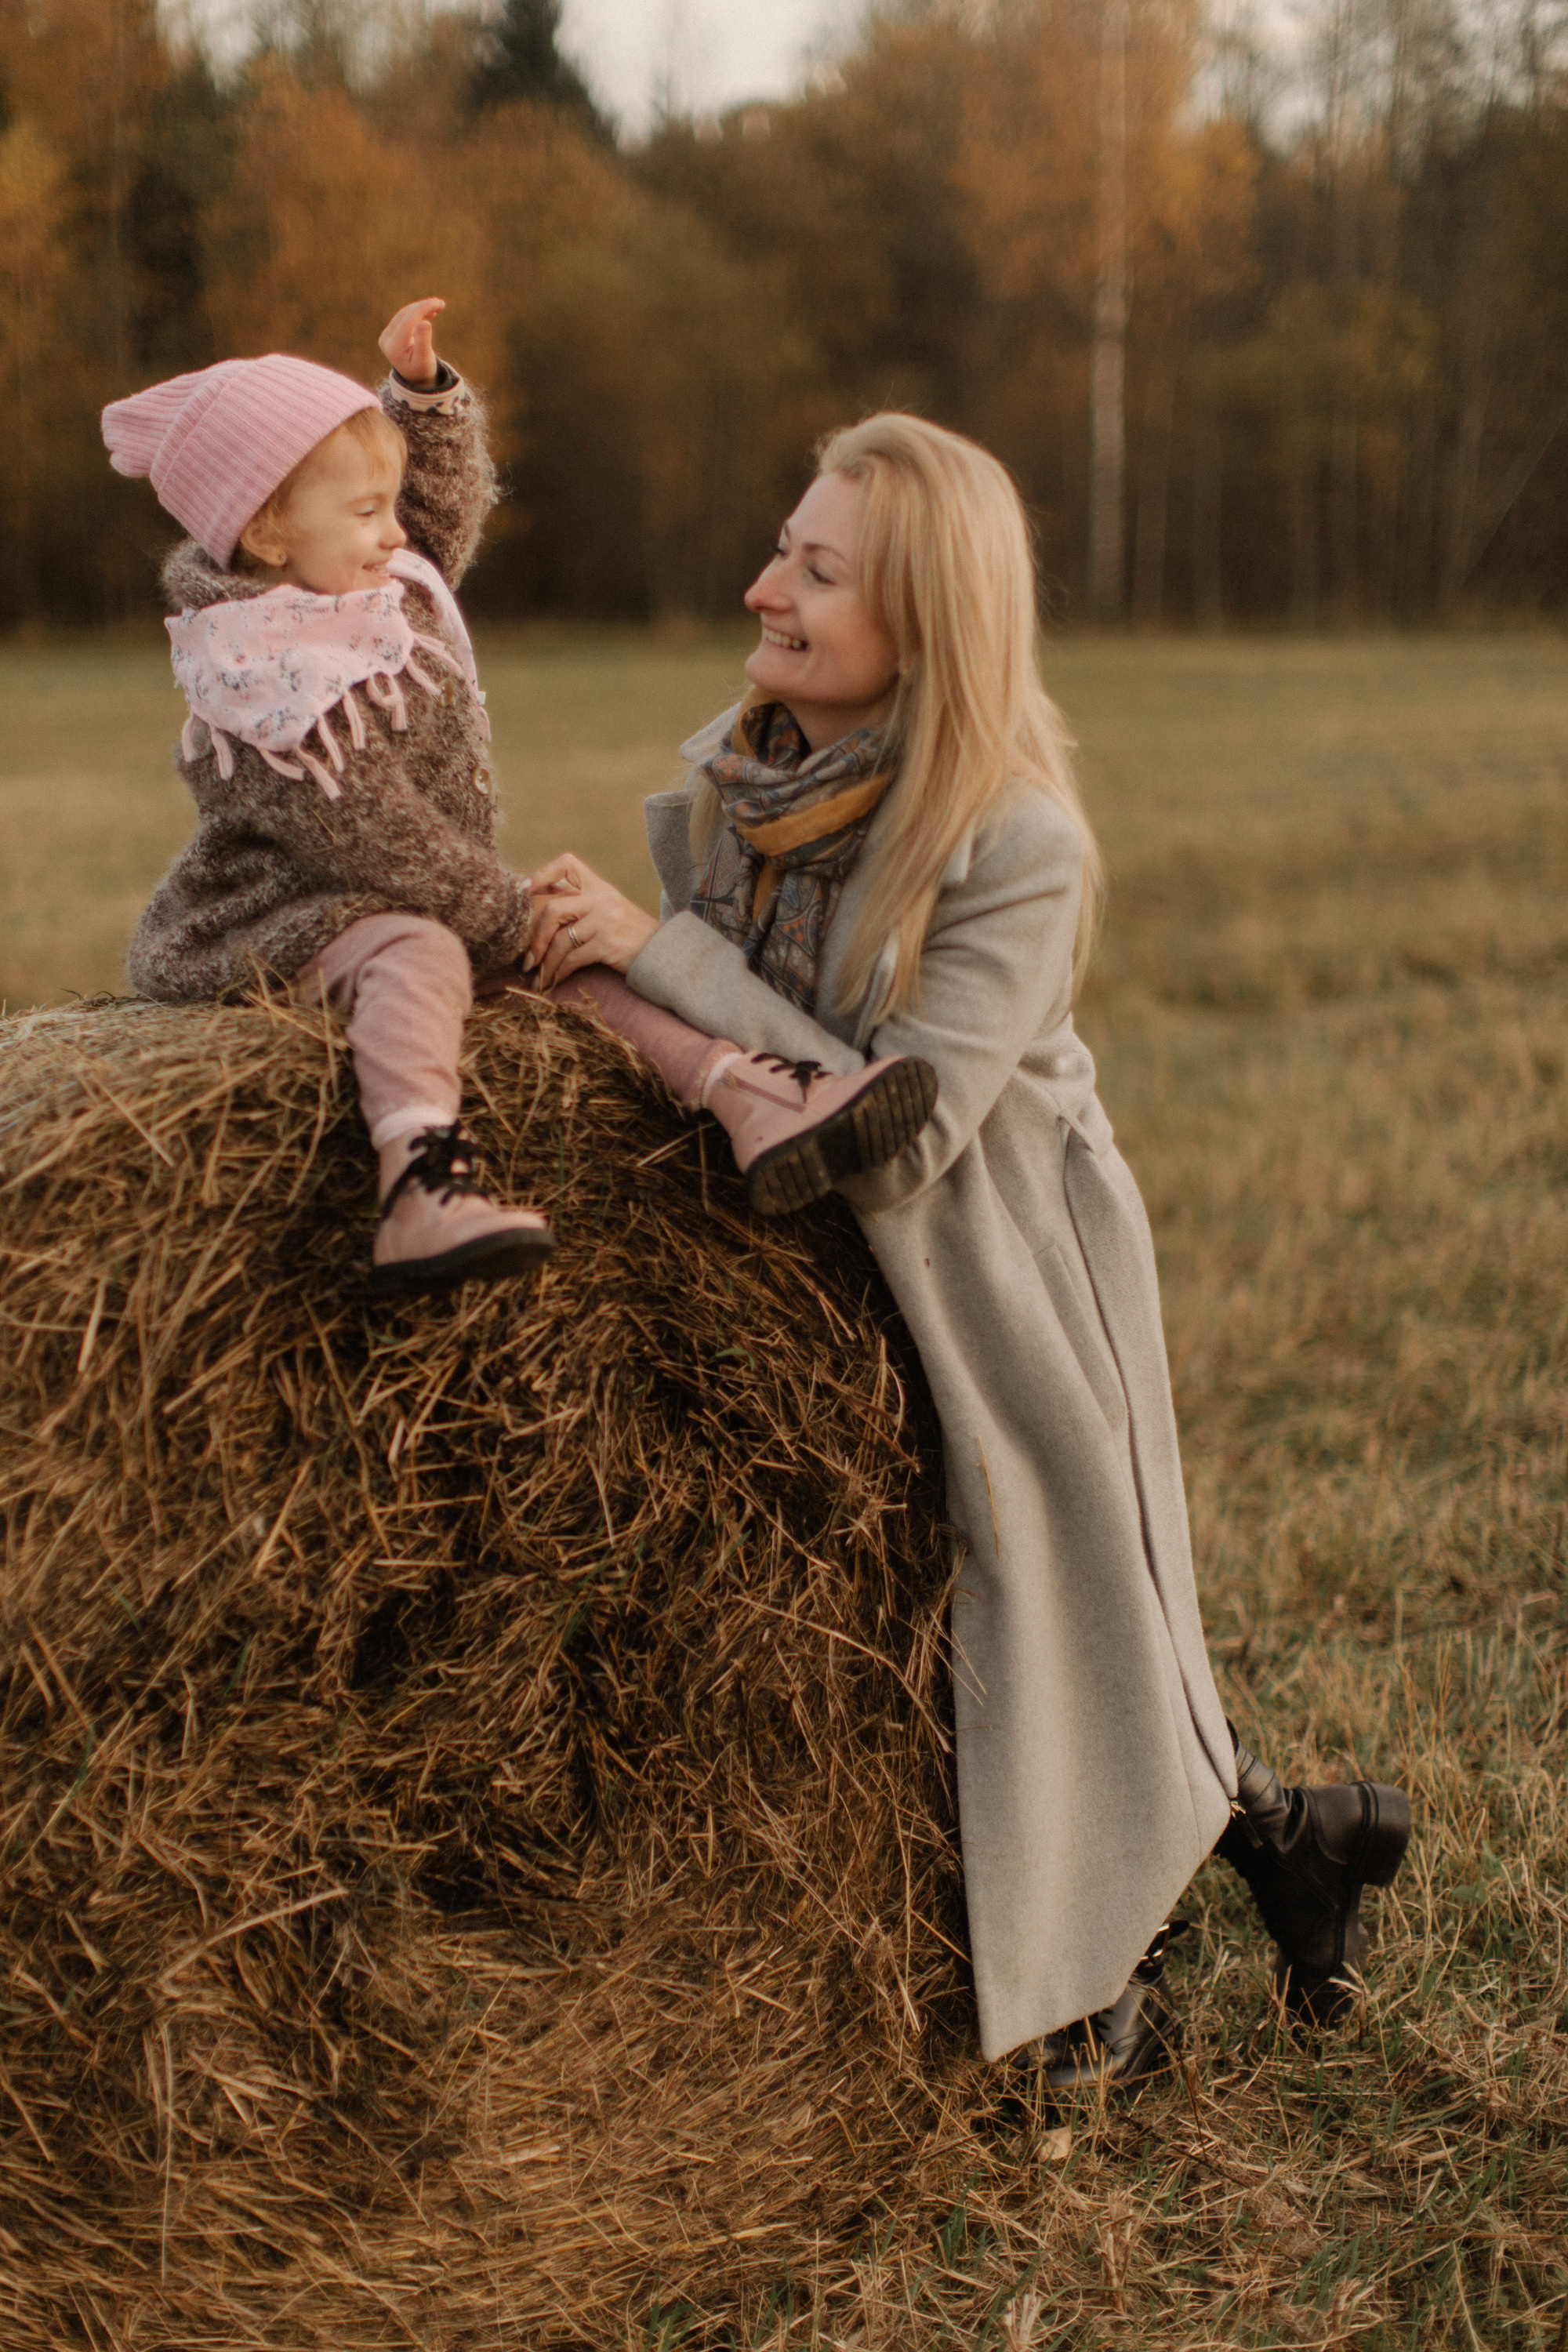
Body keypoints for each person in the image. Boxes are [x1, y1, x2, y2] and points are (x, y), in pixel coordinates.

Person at [521, 413, 1414, 2085]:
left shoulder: (1017, 845)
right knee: (1001, 1612)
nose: (760, 584)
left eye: (813, 566)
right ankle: (1299, 1847)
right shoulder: (748, 776)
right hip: (820, 1241)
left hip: (1000, 1244)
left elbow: (908, 1125)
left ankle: (1094, 1992)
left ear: (923, 624)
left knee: (1048, 1597)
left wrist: (662, 963)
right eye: (781, 549)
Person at [103, 303, 931, 1298]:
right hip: (275, 920)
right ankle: (419, 1185)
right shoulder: (263, 682)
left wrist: (422, 402)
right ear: (268, 530)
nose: (396, 531)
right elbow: (374, 840)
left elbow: (439, 518)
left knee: (574, 969)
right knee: (427, 948)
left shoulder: (371, 588)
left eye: (390, 502)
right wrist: (504, 912)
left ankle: (749, 1097)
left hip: (399, 900)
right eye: (366, 511)